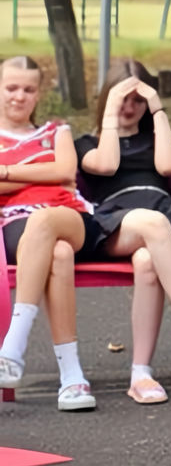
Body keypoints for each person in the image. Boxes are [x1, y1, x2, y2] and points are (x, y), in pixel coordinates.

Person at [77, 58, 171, 404]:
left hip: (163, 222)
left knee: (147, 262)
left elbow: (168, 167)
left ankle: (140, 374)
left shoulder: (156, 138)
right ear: (109, 99)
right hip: (113, 224)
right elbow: (107, 165)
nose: (130, 107)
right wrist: (111, 115)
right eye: (123, 100)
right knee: (153, 224)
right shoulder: (87, 143)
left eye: (138, 100)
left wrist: (158, 108)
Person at [0, 56, 101, 410]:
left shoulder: (56, 131)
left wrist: (7, 172)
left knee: (47, 223)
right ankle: (72, 377)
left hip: (68, 215)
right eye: (11, 88)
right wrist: (37, 172)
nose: (19, 96)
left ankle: (13, 346)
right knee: (57, 253)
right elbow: (53, 172)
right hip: (15, 224)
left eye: (28, 89)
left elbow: (64, 172)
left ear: (38, 93)